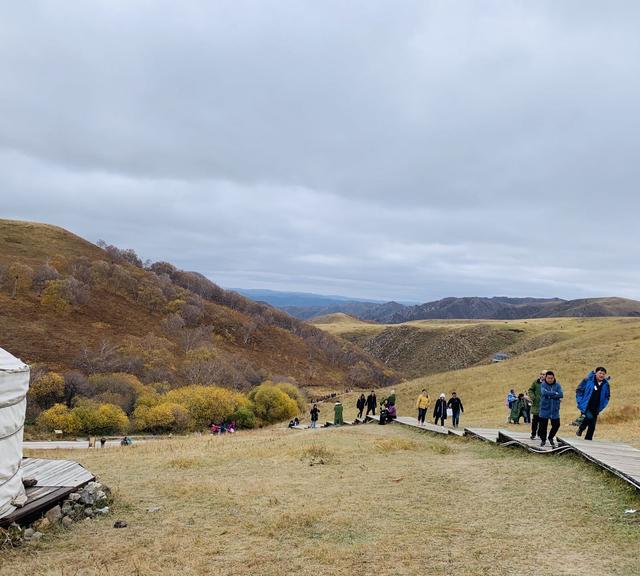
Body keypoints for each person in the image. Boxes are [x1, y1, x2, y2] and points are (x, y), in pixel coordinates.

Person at [576, 367, 611, 440]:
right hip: (586, 405)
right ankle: (581, 428)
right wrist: (580, 402)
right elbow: (579, 390)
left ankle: (588, 441)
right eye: (600, 373)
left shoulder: (605, 384)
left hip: (596, 407)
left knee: (592, 427)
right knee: (589, 417)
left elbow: (607, 396)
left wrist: (603, 405)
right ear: (596, 373)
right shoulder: (588, 380)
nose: (601, 375)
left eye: (603, 374)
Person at [538, 371, 563, 448]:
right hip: (544, 409)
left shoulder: (558, 385)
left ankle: (550, 437)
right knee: (542, 427)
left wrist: (550, 395)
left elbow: (561, 394)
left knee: (556, 425)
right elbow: (544, 393)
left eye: (551, 378)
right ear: (546, 378)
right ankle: (543, 440)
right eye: (548, 378)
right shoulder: (543, 384)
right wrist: (555, 394)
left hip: (554, 409)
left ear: (554, 377)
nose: (550, 379)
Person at [528, 371, 545, 439]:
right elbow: (530, 390)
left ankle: (540, 433)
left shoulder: (549, 383)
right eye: (542, 374)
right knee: (535, 421)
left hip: (545, 406)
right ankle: (533, 433)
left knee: (543, 421)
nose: (543, 376)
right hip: (536, 405)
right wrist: (533, 397)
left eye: (544, 374)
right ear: (540, 375)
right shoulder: (535, 382)